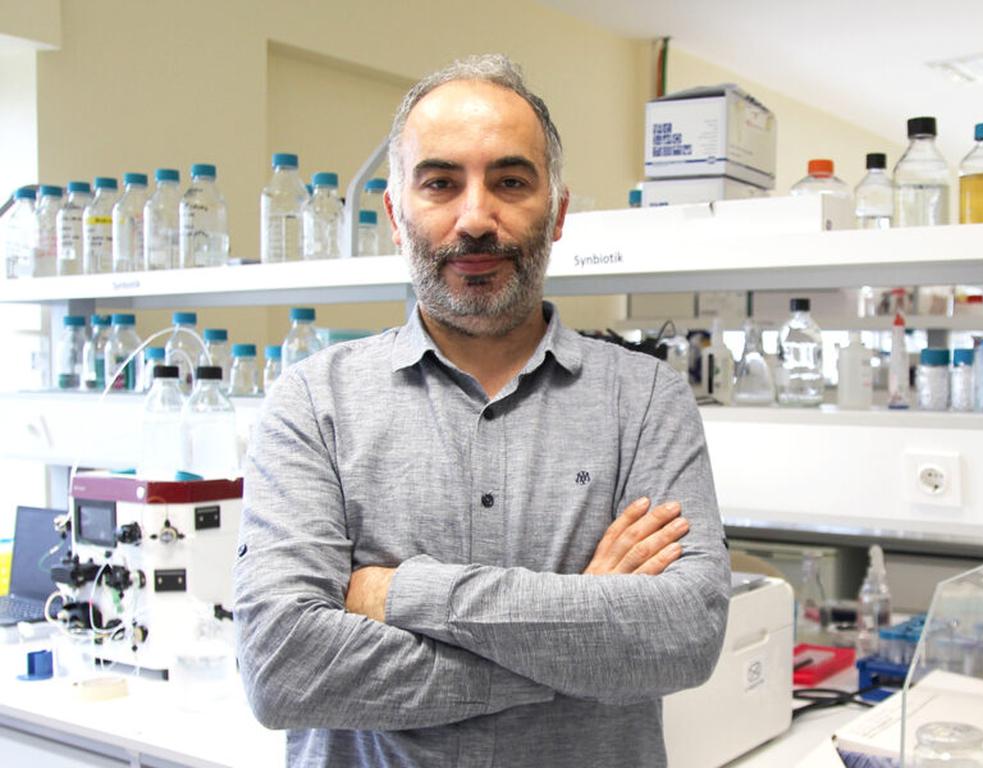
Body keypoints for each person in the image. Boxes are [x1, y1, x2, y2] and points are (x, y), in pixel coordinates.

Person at [233, 53, 731, 767]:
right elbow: (283, 669)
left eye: (510, 181)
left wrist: (400, 591)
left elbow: (683, 635)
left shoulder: (647, 398)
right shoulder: (313, 402)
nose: (475, 218)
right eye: (439, 183)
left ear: (556, 214)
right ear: (397, 217)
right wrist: (574, 643)